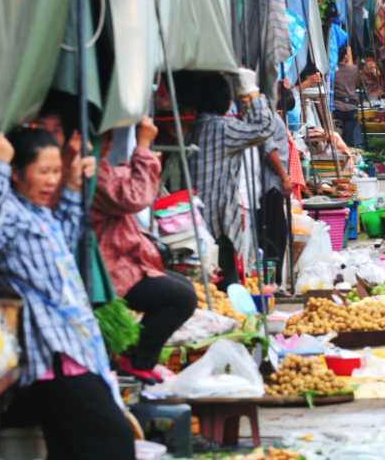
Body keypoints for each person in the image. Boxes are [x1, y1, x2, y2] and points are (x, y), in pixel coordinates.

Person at [0, 129, 135, 460]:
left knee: (72, 448)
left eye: (55, 172)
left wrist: (73, 185)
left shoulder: (39, 212)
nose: (51, 181)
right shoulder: (7, 211)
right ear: (17, 173)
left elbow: (67, 235)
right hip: (56, 355)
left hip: (76, 347)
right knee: (115, 439)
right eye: (43, 172)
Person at [92, 116, 197, 383]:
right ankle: (136, 358)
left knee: (181, 287)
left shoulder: (98, 168)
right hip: (105, 267)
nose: (109, 143)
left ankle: (136, 354)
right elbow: (135, 196)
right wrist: (144, 145)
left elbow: (122, 181)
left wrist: (144, 155)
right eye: (104, 138)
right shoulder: (89, 171)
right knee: (181, 297)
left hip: (119, 259)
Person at [187, 69, 277, 291]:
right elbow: (264, 127)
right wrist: (251, 91)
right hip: (218, 221)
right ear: (227, 103)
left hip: (197, 219)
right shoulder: (222, 129)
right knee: (226, 282)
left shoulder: (197, 127)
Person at [260, 86, 296, 286]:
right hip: (269, 183)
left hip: (271, 183)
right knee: (275, 234)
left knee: (278, 234)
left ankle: (273, 283)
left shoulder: (268, 112)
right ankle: (271, 284)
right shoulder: (266, 113)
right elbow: (268, 146)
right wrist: (284, 177)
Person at [332, 45, 360, 148]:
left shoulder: (333, 71)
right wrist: (350, 53)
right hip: (351, 109)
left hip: (336, 108)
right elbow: (350, 66)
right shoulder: (353, 69)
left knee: (335, 137)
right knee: (349, 139)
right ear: (346, 56)